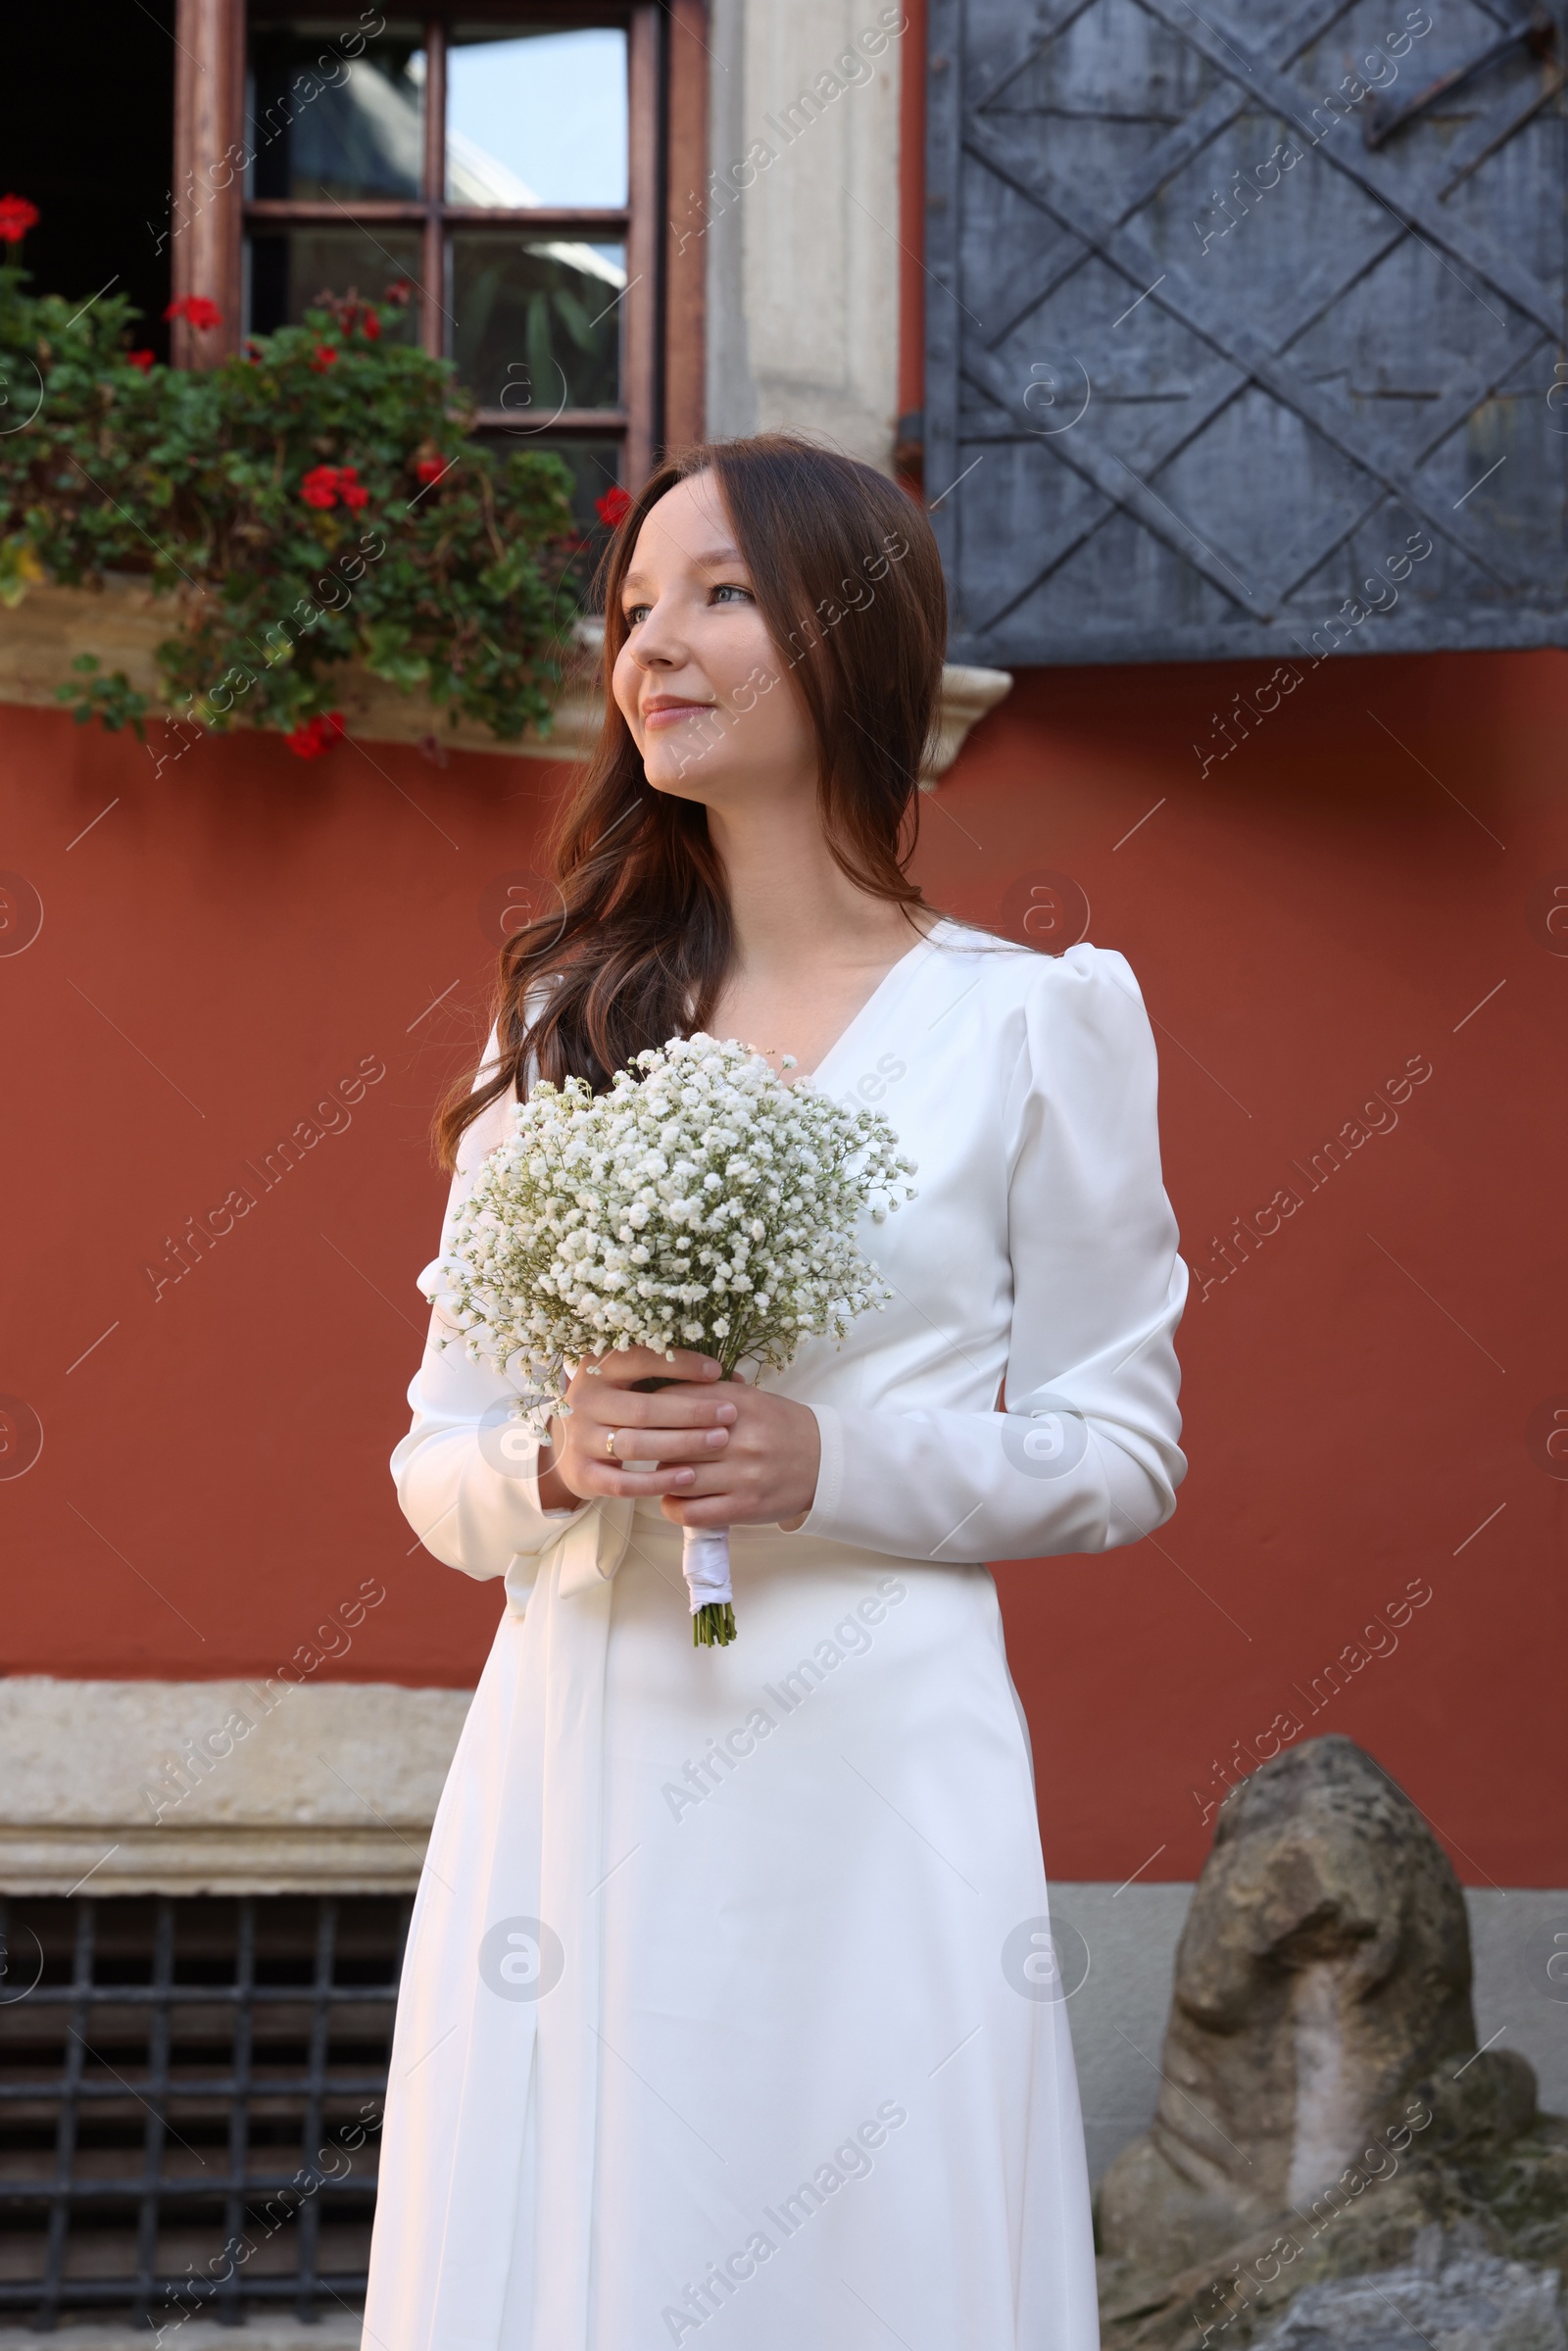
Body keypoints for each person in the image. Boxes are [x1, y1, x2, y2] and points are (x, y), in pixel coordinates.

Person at [363, 433, 1188, 2351]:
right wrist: (557, 1459)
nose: (651, 643)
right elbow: (434, 1458)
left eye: (717, 592)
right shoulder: (560, 1012)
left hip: (872, 1761)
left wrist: (820, 1460)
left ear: (853, 635)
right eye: (632, 604)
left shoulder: (1038, 1024)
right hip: (580, 1753)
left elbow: (1119, 1449)